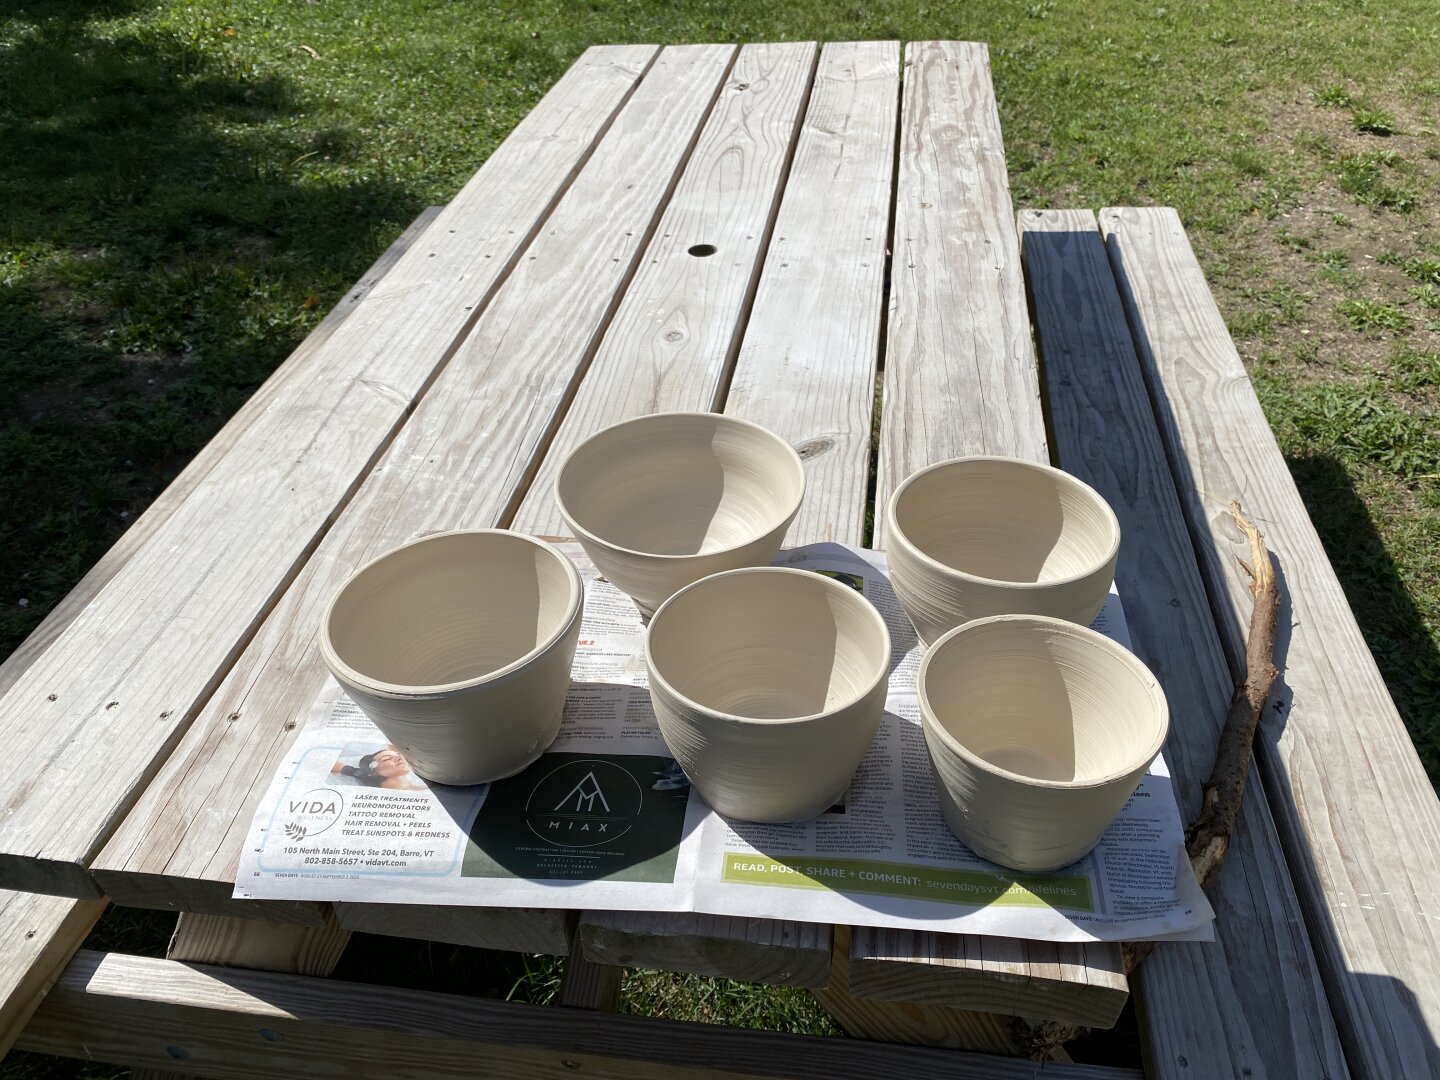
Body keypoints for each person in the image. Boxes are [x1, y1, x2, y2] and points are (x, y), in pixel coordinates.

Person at [332, 746, 426, 790]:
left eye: (398, 755)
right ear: (373, 771)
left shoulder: (424, 788)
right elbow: (334, 764)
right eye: (386, 759)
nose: (399, 758)